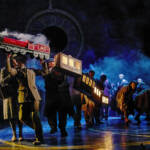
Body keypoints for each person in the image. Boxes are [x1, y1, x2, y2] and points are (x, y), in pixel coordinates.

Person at [6, 54, 43, 145]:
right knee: (22, 117)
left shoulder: (31, 70)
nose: (14, 63)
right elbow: (10, 70)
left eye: (15, 61)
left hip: (34, 97)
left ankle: (39, 137)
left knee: (35, 117)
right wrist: (8, 59)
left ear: (19, 62)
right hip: (23, 98)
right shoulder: (17, 71)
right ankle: (38, 129)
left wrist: (42, 63)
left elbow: (44, 72)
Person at [40, 58, 73, 137]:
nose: (50, 63)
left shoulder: (61, 71)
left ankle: (62, 129)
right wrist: (43, 65)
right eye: (49, 62)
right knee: (50, 113)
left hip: (61, 95)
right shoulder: (46, 72)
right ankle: (53, 127)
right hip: (51, 95)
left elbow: (62, 79)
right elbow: (45, 75)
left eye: (52, 62)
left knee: (62, 113)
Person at [0, 54, 23, 142]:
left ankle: (20, 133)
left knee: (20, 115)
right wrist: (10, 75)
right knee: (11, 116)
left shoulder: (18, 69)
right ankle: (14, 134)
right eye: (13, 59)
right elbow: (2, 82)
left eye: (16, 60)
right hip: (9, 95)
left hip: (18, 94)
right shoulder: (4, 70)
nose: (15, 61)